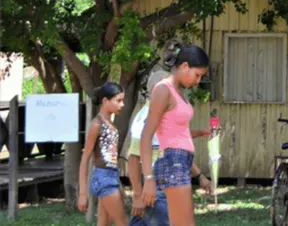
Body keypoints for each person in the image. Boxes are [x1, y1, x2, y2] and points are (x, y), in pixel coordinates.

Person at [122, 69, 213, 226]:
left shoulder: (164, 114)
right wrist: (137, 195)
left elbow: (175, 147)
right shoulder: (145, 117)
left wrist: (199, 176)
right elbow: (133, 158)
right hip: (157, 184)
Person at [140, 45, 210, 226]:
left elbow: (176, 133)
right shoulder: (163, 89)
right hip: (172, 163)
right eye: (197, 75)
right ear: (185, 66)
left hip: (182, 162)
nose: (198, 81)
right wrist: (148, 179)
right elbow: (146, 135)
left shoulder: (179, 92)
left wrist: (201, 133)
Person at [79, 82, 130, 226]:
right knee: (123, 221)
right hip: (103, 178)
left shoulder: (110, 124)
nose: (122, 105)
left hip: (111, 176)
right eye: (118, 101)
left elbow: (112, 159)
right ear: (105, 101)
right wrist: (82, 194)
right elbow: (85, 158)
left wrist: (118, 182)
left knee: (104, 223)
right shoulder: (97, 124)